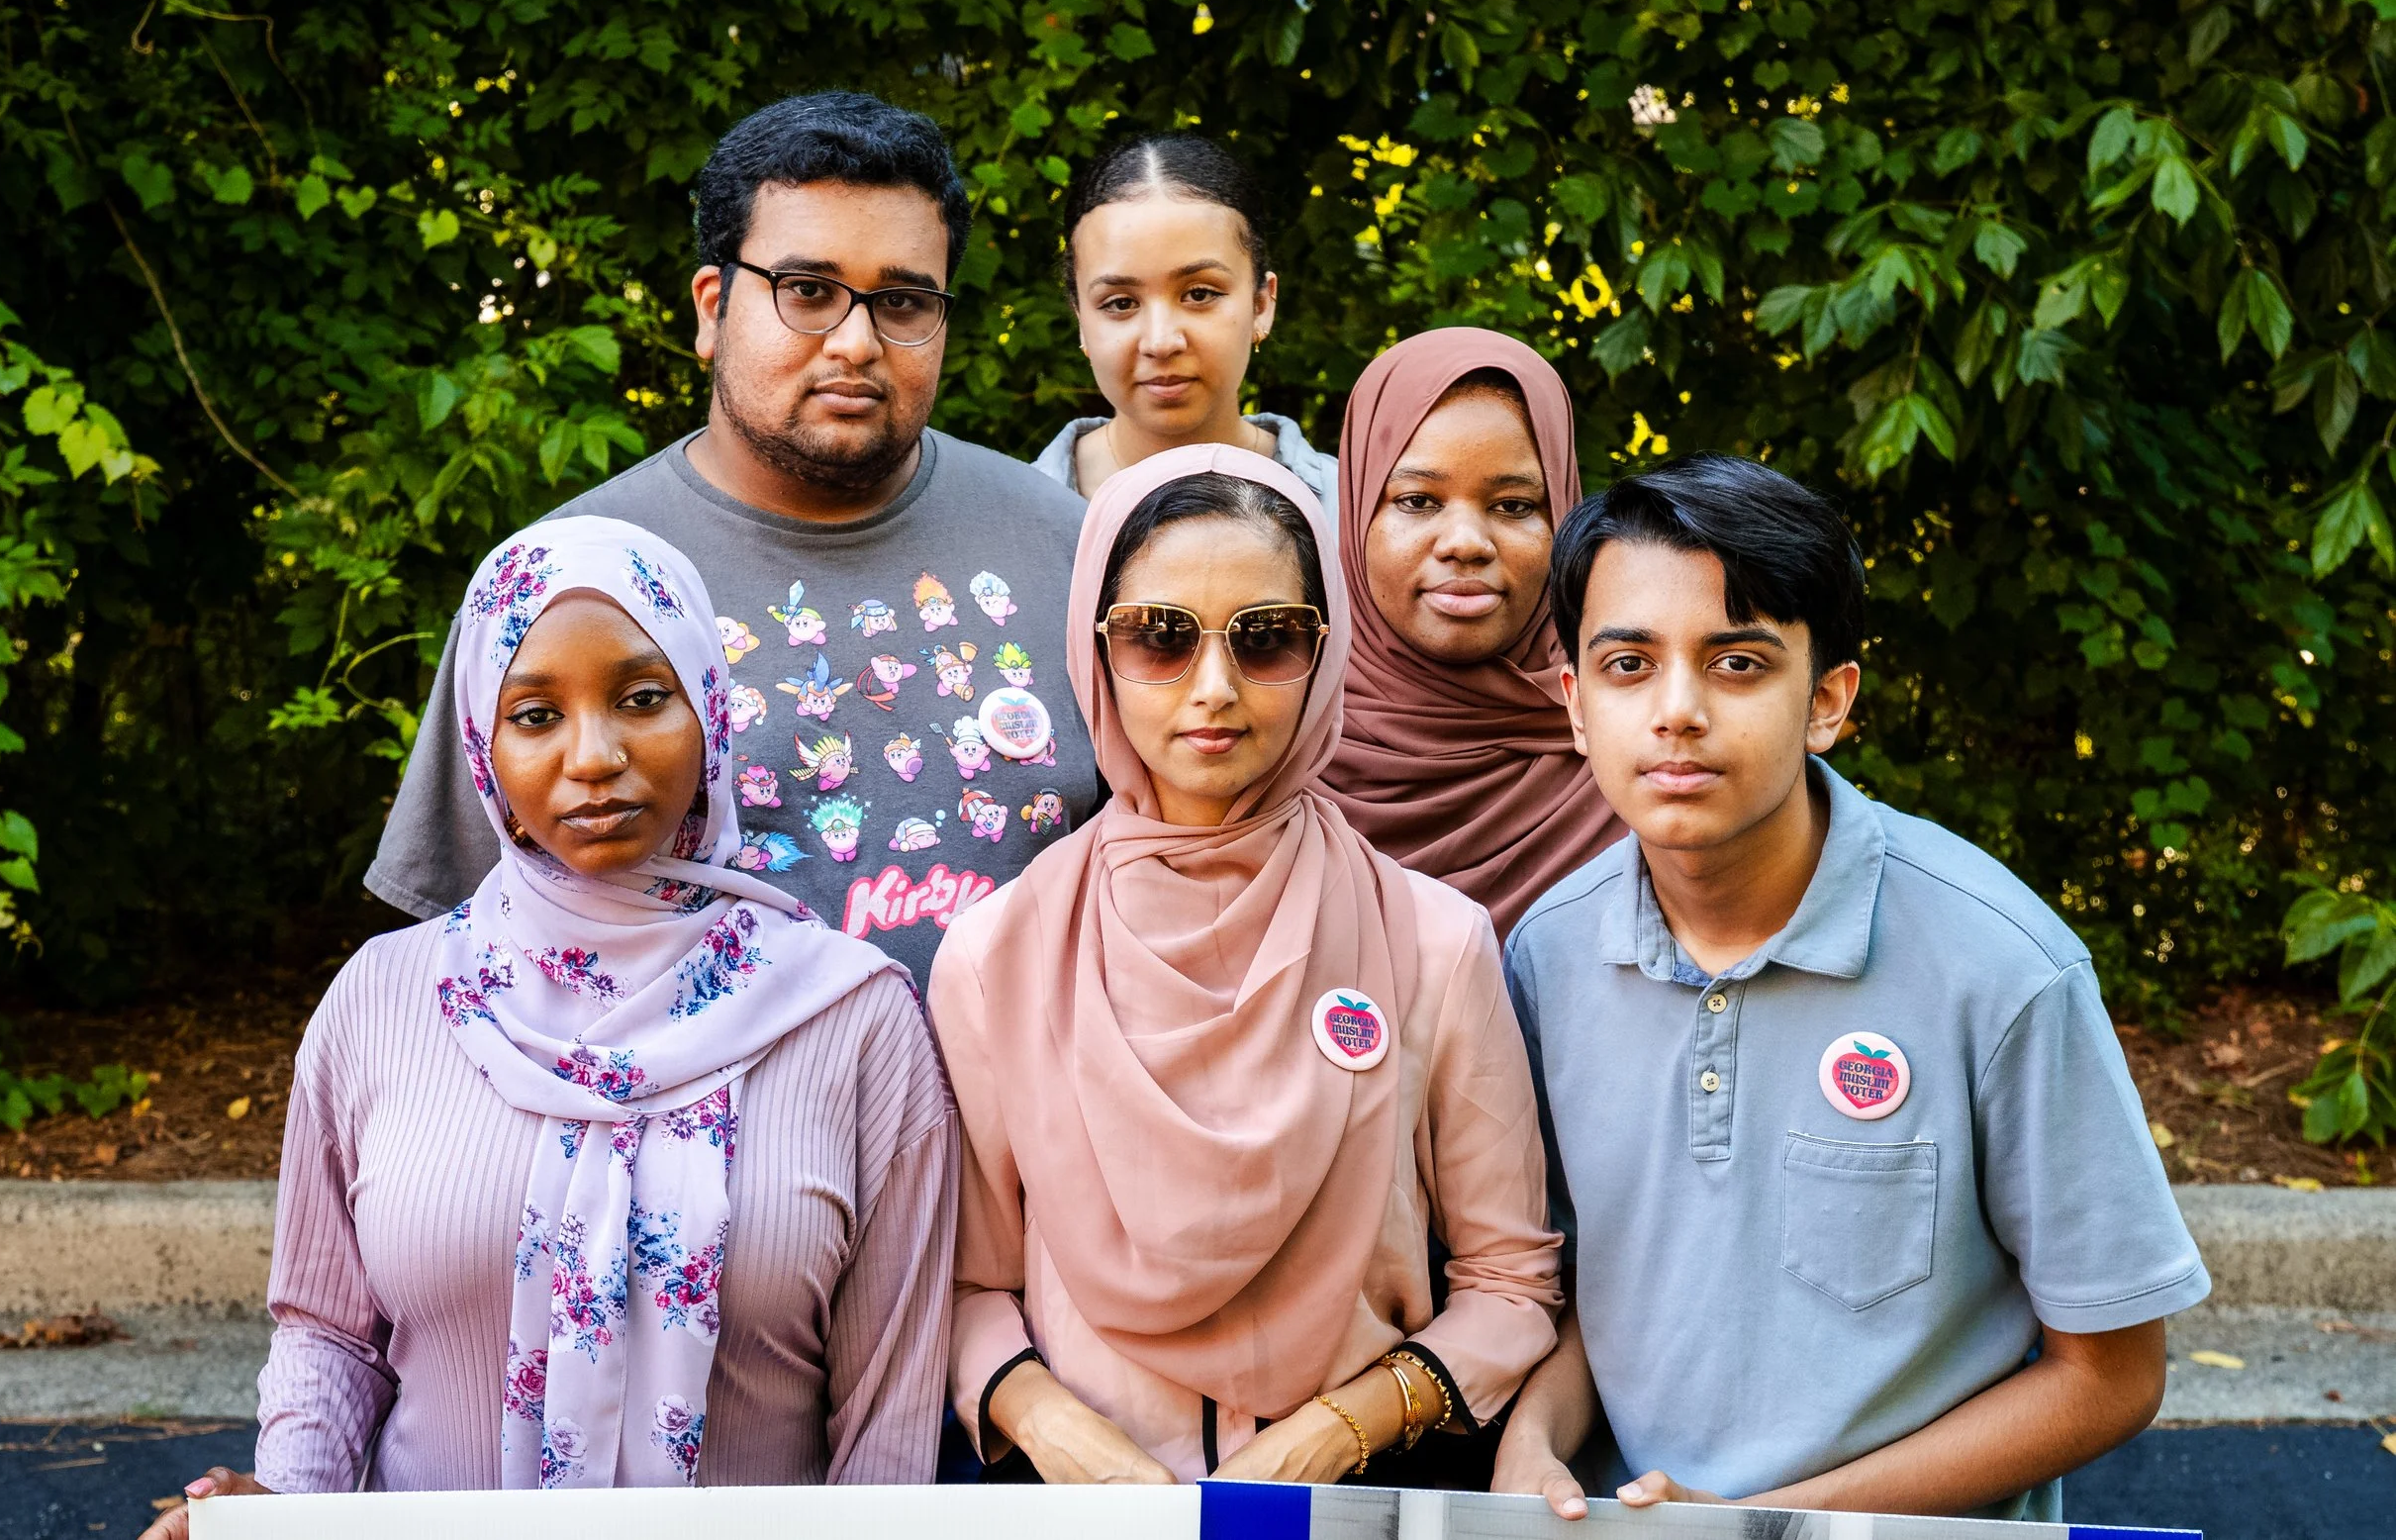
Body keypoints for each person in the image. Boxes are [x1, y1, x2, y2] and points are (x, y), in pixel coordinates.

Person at [141, 520, 954, 1536]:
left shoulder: (853, 1016)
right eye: (534, 713)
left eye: (642, 698)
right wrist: (287, 1510)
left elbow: (889, 1403)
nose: (595, 755)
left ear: (708, 709)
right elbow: (329, 1331)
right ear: (484, 746)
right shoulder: (383, 1000)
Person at [1491, 456, 2208, 1521]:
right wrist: (1532, 1443)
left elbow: (2109, 1373)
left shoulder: (2000, 964)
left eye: (1736, 663)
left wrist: (1781, 1523)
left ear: (1827, 699)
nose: (1676, 709)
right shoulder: (1547, 953)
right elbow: (1601, 1292)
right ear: (1576, 703)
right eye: (1629, 664)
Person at [929, 445, 1561, 1488]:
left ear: (1326, 652)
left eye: (1266, 638)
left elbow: (1510, 1280)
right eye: (1158, 637)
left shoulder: (1432, 941)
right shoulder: (999, 955)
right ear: (1095, 647)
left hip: (1354, 1501)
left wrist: (1345, 1425)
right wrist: (1050, 1425)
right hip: (1088, 1511)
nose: (1213, 688)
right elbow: (965, 1281)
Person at [366, 93, 1100, 979]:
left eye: (903, 300)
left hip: (1027, 1116)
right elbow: (458, 959)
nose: (858, 341)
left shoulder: (1070, 547)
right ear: (713, 308)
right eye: (809, 292)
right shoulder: (558, 587)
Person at [1317, 328, 1623, 937]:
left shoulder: (1632, 745)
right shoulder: (1275, 740)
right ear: (1354, 517)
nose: (1465, 543)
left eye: (1513, 507)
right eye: (1418, 501)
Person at [1032, 134, 1337, 517]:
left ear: (1262, 304)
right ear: (1081, 320)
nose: (1161, 342)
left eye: (1199, 294)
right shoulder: (1011, 520)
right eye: (1121, 303)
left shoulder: (1355, 517)